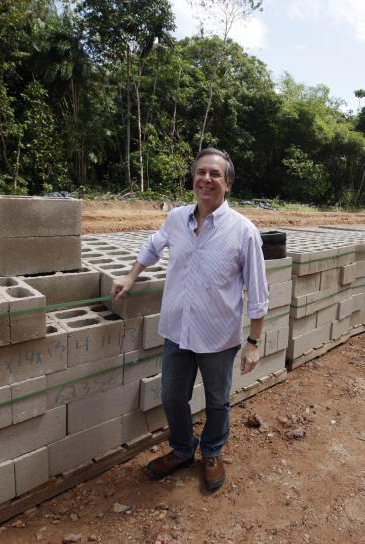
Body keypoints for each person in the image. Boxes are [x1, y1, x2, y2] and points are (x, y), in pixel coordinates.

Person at [111, 148, 268, 492]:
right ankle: (183, 450)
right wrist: (131, 276)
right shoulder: (176, 219)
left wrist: (254, 342)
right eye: (201, 172)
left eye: (215, 174)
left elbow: (258, 291)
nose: (206, 179)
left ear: (228, 183)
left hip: (218, 337)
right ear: (193, 178)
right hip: (177, 331)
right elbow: (152, 247)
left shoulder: (244, 231)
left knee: (217, 400)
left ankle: (211, 452)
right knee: (171, 396)